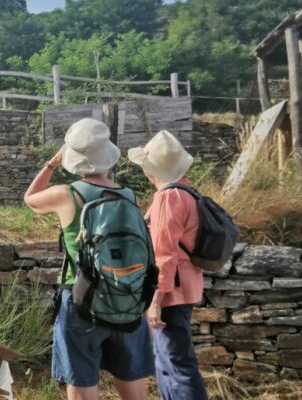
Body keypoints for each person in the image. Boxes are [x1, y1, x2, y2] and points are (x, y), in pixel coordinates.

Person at [24, 118, 154, 400]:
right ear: (108, 156)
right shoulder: (129, 196)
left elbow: (30, 198)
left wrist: (51, 164)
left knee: (83, 386)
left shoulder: (66, 194)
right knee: (133, 389)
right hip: (127, 298)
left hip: (82, 299)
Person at [128, 130, 208, 400]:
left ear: (152, 170)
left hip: (170, 292)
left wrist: (155, 300)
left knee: (176, 363)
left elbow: (163, 253)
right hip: (184, 286)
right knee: (168, 362)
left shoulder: (168, 197)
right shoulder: (188, 192)